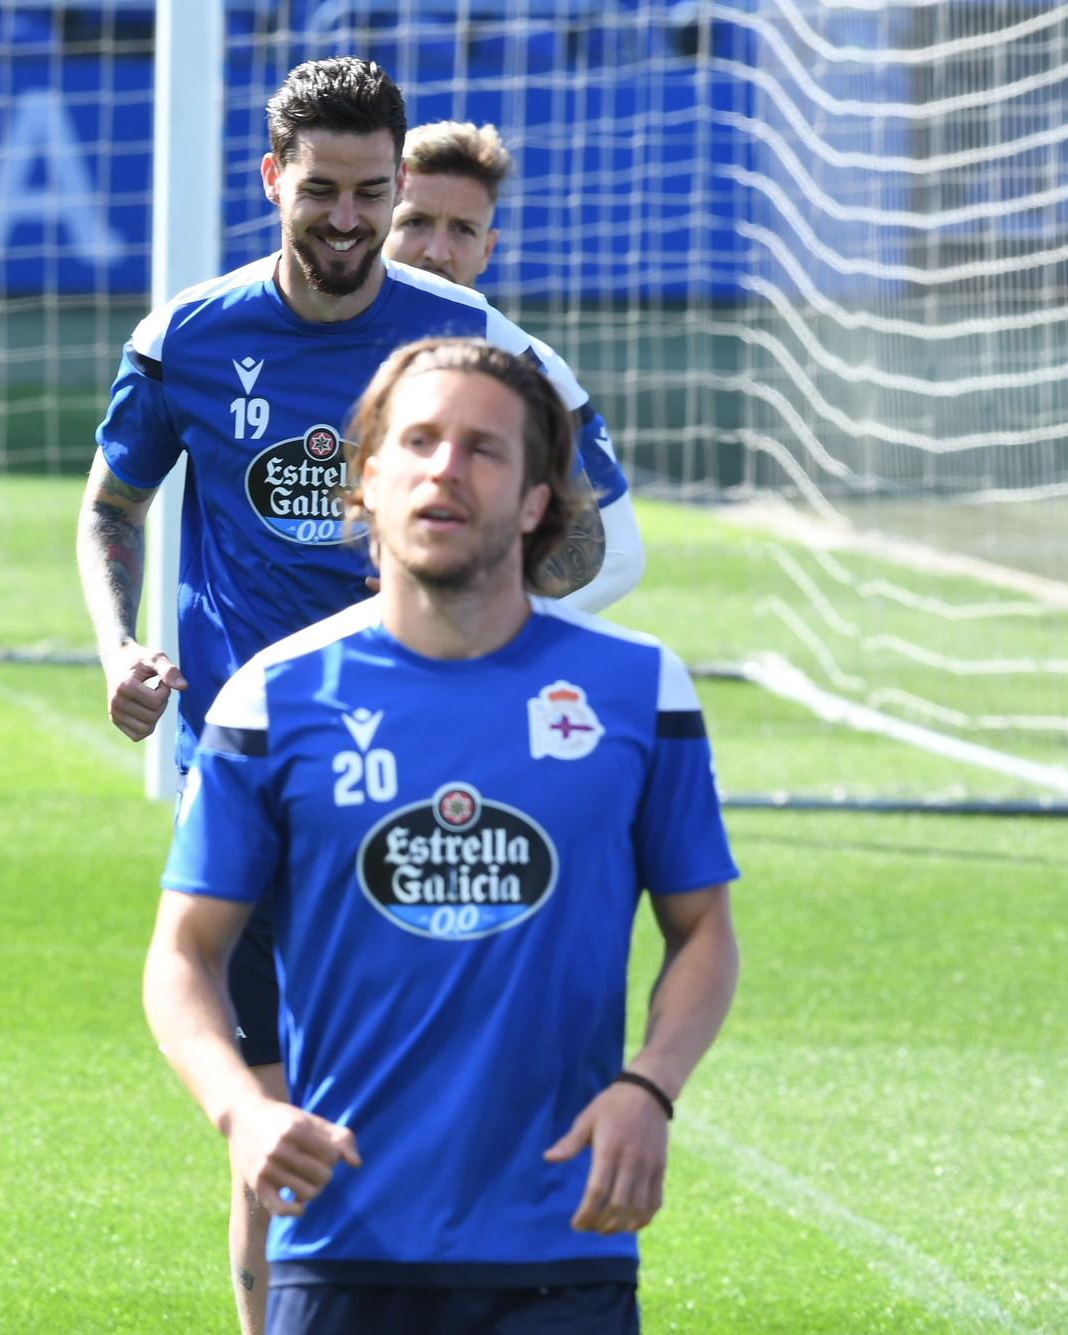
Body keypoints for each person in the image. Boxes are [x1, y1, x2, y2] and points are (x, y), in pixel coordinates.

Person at [74, 57, 642, 1333]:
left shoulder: (464, 343)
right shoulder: (187, 339)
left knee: (444, 1096)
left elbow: (587, 535)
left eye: (370, 194)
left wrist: (471, 605)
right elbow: (112, 508)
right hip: (260, 767)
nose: (345, 219)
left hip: (437, 765)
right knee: (274, 1116)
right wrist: (120, 648)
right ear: (272, 177)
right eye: (319, 190)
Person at [142, 337, 740, 1334]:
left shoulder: (638, 691)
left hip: (563, 1244)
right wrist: (239, 1109)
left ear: (538, 499)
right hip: (341, 1245)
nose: (444, 470)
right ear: (366, 480)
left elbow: (703, 930)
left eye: (482, 449)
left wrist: (649, 1086)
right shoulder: (269, 700)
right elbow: (181, 954)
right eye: (416, 442)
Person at [382, 119, 511, 289]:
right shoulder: (337, 314)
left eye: (464, 230)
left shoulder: (495, 317)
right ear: (379, 228)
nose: (437, 255)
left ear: (486, 251)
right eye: (415, 222)